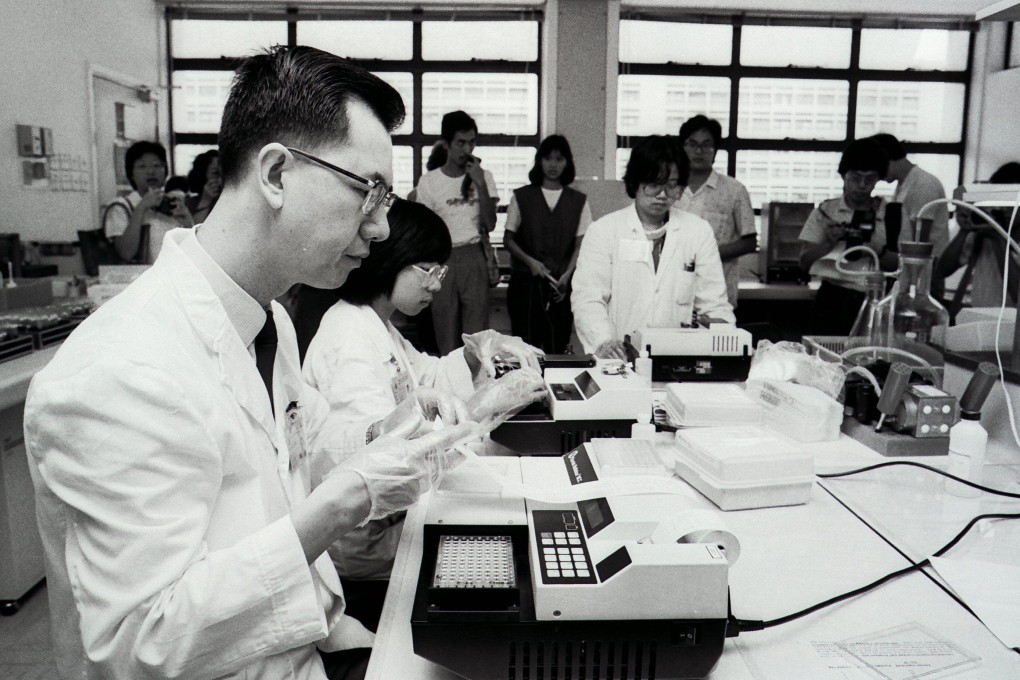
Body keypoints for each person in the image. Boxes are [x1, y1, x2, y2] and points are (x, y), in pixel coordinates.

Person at [24, 45, 481, 680]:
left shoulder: (271, 322)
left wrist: (394, 429)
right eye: (366, 192)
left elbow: (307, 447)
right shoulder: (121, 371)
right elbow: (138, 646)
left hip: (310, 646)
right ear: (275, 174)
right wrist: (347, 500)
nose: (380, 229)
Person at [302, 198, 545, 621]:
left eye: (441, 272)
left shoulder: (379, 324)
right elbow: (383, 459)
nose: (436, 285)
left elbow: (425, 378)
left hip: (393, 522)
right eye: (428, 270)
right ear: (392, 257)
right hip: (365, 547)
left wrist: (477, 353)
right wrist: (485, 404)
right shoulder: (349, 336)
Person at [571, 135, 734, 360]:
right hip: (618, 360)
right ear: (635, 182)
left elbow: (714, 303)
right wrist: (604, 342)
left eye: (672, 186)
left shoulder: (697, 231)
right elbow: (588, 298)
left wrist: (729, 340)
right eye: (654, 185)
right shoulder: (604, 230)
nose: (662, 195)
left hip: (678, 358)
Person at [413, 110, 499, 354]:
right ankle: (449, 386)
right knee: (445, 331)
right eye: (461, 142)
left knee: (477, 336)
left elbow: (490, 223)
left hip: (474, 256)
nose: (467, 149)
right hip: (442, 258)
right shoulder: (429, 181)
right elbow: (424, 231)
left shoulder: (484, 177)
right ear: (447, 144)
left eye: (472, 142)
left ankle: (477, 385)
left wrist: (479, 183)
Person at [799, 138, 899, 335]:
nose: (862, 185)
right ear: (843, 176)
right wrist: (828, 242)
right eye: (855, 177)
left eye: (869, 179)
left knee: (871, 360)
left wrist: (875, 248)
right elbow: (803, 263)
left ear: (878, 178)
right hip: (832, 298)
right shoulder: (826, 211)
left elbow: (902, 266)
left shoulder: (891, 214)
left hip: (877, 298)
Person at [504, 134, 591, 353]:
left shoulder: (578, 201)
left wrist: (567, 276)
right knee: (525, 349)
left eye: (559, 159)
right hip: (526, 285)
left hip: (559, 287)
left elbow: (582, 245)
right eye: (548, 158)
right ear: (539, 161)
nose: (553, 165)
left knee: (557, 347)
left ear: (567, 163)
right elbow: (509, 239)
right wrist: (530, 262)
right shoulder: (522, 196)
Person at [676, 115, 757, 311]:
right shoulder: (671, 187)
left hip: (718, 294)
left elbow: (749, 241)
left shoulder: (734, 190)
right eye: (692, 144)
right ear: (683, 147)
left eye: (706, 145)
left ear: (715, 150)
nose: (699, 151)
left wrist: (708, 254)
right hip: (674, 290)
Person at [940, 162, 1020, 309]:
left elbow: (1017, 292)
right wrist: (964, 230)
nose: (1007, 209)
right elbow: (942, 270)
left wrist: (998, 238)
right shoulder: (983, 233)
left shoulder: (995, 234)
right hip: (978, 320)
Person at [103, 140, 191, 263]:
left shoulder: (173, 203)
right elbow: (126, 253)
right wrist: (141, 207)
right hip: (138, 279)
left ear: (165, 170)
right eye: (142, 166)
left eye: (157, 165)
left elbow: (193, 251)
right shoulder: (121, 207)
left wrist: (188, 222)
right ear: (131, 173)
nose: (151, 171)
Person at [185, 148, 222, 224]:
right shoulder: (189, 204)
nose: (221, 180)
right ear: (202, 175)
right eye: (216, 173)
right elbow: (192, 230)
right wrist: (206, 200)